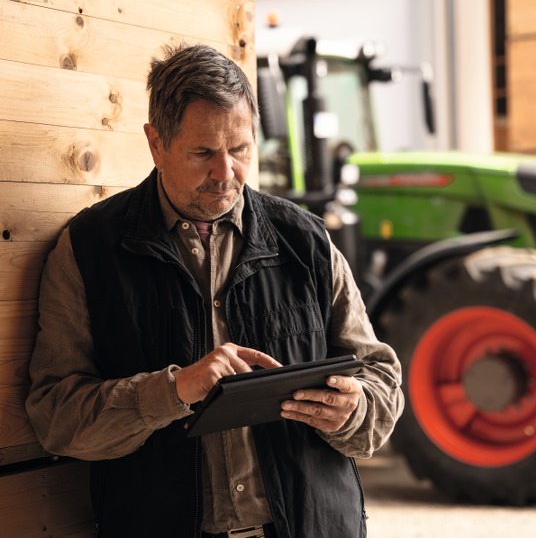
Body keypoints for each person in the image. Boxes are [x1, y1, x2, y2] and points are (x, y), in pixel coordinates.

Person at [25, 44, 403, 538]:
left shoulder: (307, 240)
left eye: (241, 149)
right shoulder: (88, 250)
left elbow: (381, 378)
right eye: (202, 152)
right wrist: (173, 390)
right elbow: (56, 417)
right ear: (155, 143)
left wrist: (354, 409)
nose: (227, 173)